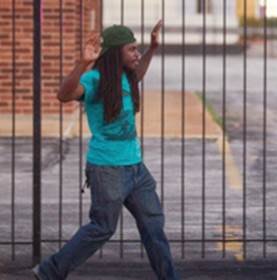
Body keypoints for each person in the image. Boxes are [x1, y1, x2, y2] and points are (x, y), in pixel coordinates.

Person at [33, 21, 179, 280]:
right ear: (115, 53)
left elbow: (139, 73)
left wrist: (153, 48)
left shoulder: (126, 75)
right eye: (132, 49)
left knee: (153, 225)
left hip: (135, 167)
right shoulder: (94, 79)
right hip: (107, 169)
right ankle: (49, 271)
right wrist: (82, 63)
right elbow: (64, 94)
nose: (137, 53)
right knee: (102, 228)